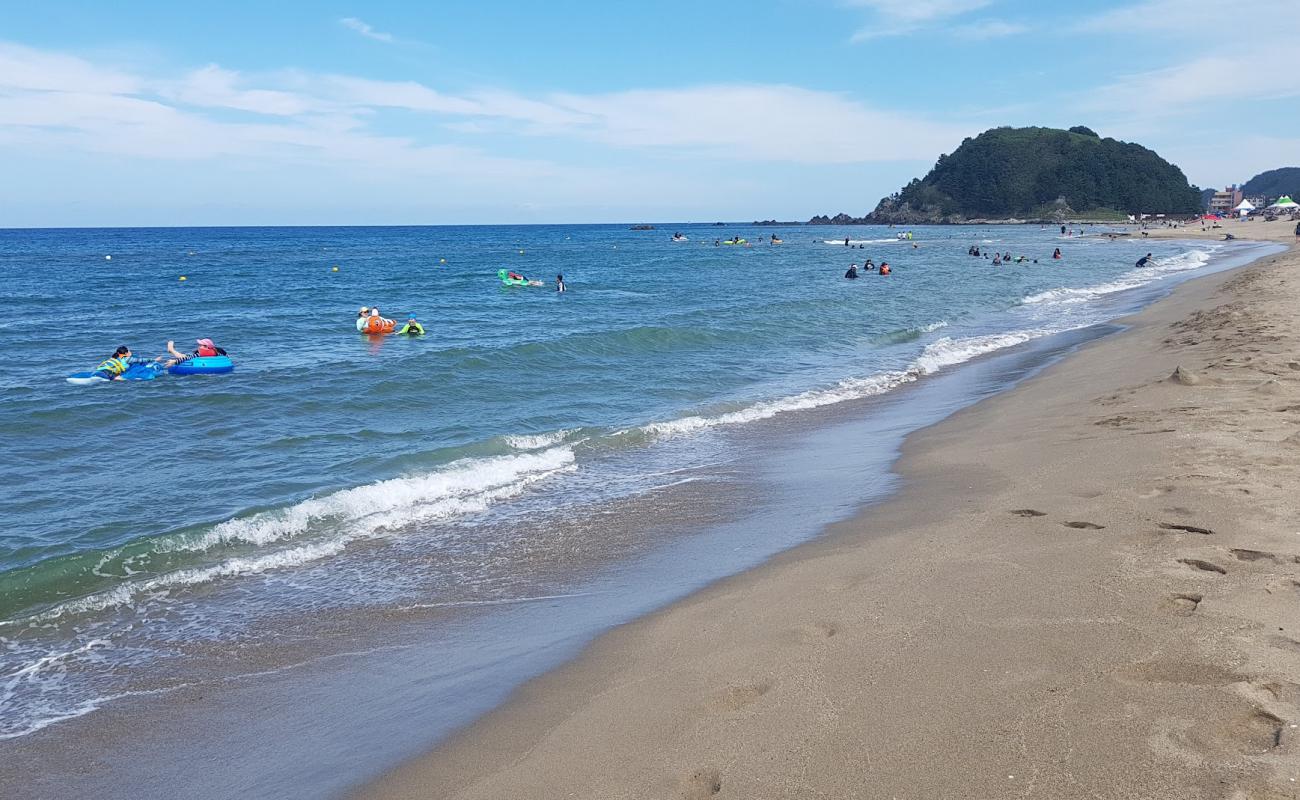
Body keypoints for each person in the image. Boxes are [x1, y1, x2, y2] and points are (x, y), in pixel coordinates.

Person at [90, 345, 163, 380]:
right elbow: (142, 360)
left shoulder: (113, 357)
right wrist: (154, 360)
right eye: (129, 350)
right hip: (108, 374)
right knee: (119, 379)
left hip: (97, 372)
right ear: (126, 353)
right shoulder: (127, 359)